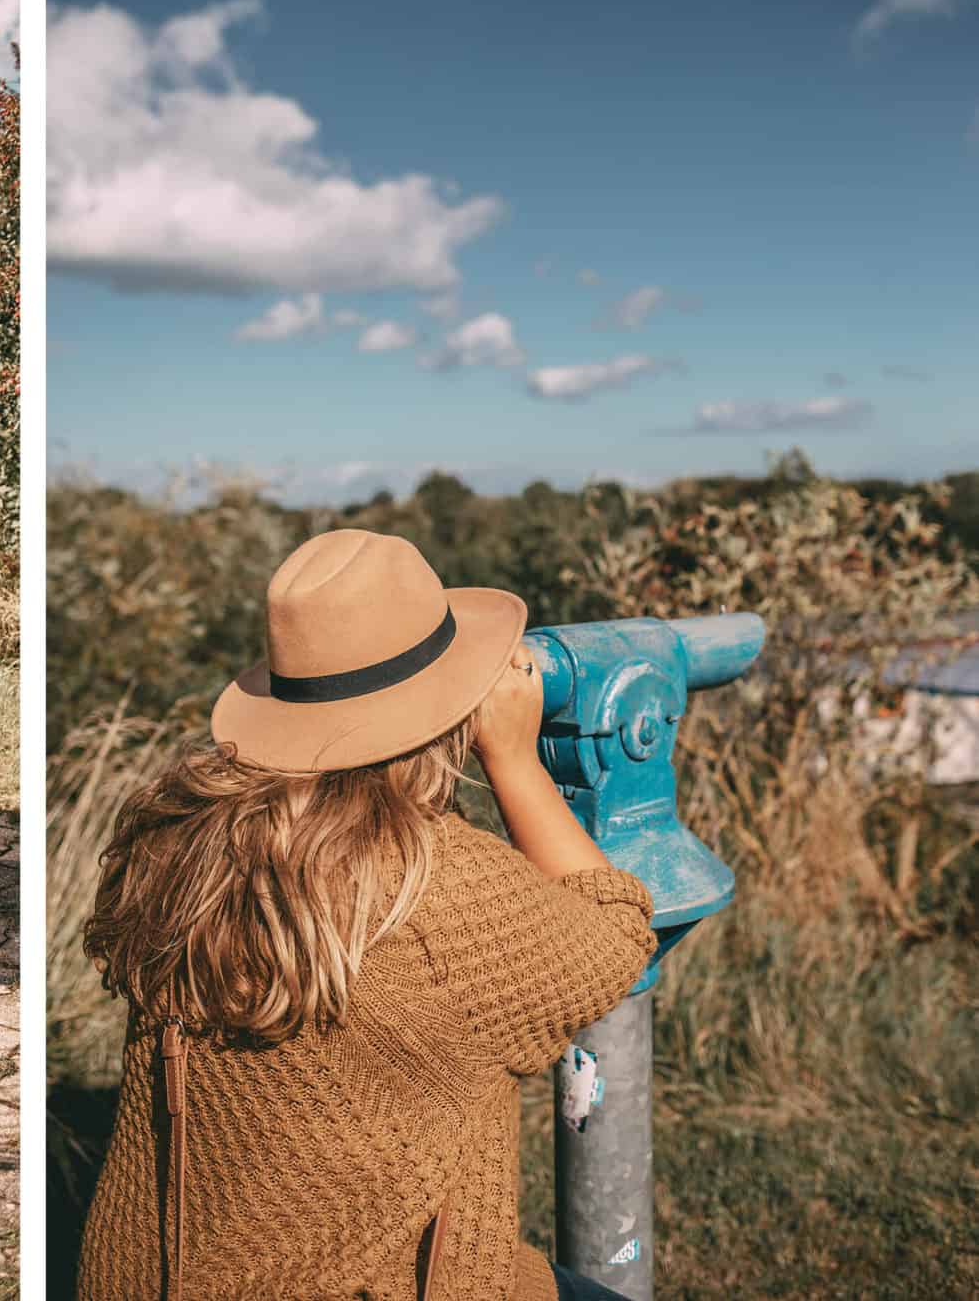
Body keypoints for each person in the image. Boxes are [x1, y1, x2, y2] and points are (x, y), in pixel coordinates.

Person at [77, 529, 655, 1301]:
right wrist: (512, 758)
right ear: (456, 708)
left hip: (144, 1273)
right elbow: (614, 937)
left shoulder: (180, 839)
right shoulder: (432, 885)